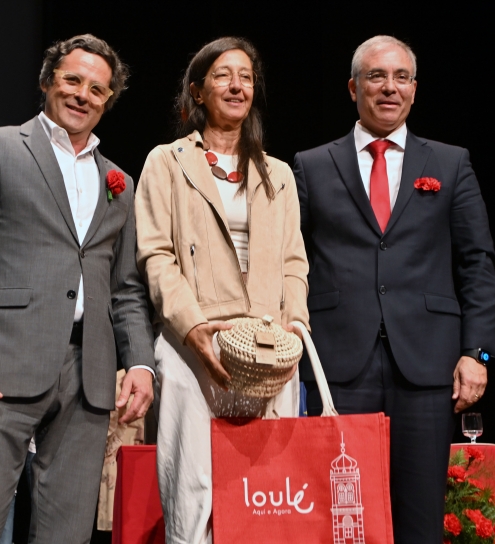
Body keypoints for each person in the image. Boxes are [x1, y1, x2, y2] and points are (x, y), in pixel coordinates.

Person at [0, 34, 155, 544]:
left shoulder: (119, 182)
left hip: (89, 373)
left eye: (97, 89)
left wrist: (140, 363)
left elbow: (125, 289)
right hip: (1, 364)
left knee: (67, 533)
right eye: (72, 80)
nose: (82, 95)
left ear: (108, 100)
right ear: (48, 81)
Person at [294, 35, 495, 543]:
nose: (390, 87)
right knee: (344, 518)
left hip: (428, 366)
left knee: (419, 518)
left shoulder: (450, 163)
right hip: (338, 365)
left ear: (414, 89)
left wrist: (477, 353)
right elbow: (290, 263)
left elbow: (477, 262)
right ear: (353, 88)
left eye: (401, 77)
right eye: (376, 76)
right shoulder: (311, 165)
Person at [135, 36, 310, 544]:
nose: (237, 86)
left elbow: (294, 262)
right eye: (223, 76)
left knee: (267, 493)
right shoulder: (166, 162)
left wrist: (294, 329)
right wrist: (193, 329)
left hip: (268, 349)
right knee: (193, 490)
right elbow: (156, 254)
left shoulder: (278, 173)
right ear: (197, 91)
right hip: (194, 345)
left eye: (246, 77)